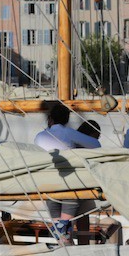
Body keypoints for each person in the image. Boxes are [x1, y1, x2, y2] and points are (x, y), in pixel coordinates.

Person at [34, 102, 100, 241]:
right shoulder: (68, 132)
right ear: (67, 120)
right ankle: (64, 227)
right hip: (68, 184)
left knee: (59, 227)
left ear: (50, 119)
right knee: (70, 208)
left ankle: (61, 232)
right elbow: (96, 145)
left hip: (47, 184)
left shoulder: (39, 137)